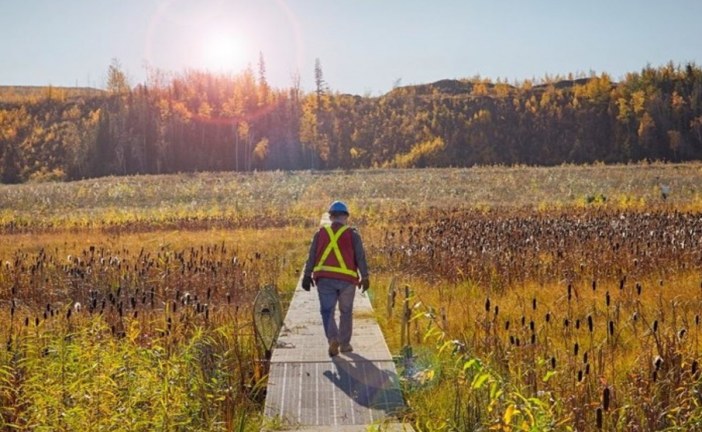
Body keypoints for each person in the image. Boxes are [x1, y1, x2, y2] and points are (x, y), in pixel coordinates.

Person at [302, 200, 370, 357]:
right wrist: (365, 276)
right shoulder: (353, 235)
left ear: (331, 217)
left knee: (327, 311)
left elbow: (311, 256)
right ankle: (345, 345)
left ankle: (333, 339)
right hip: (347, 280)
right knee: (346, 312)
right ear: (346, 217)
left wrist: (307, 275)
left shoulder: (320, 234)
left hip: (325, 278)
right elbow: (360, 258)